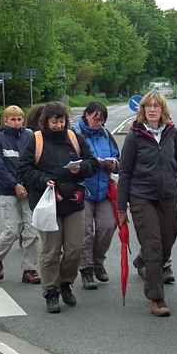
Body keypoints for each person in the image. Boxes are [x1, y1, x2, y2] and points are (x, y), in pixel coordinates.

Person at [19, 102, 98, 313]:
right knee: (51, 251)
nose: (58, 125)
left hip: (73, 201)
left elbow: (92, 162)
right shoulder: (35, 140)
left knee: (75, 248)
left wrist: (81, 168)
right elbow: (24, 169)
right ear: (45, 121)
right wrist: (44, 180)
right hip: (47, 203)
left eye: (61, 120)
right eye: (54, 121)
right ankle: (51, 291)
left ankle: (66, 282)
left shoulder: (74, 138)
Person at [117, 90, 177, 317]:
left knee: (169, 238)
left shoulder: (171, 132)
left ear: (163, 109)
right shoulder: (134, 136)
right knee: (154, 245)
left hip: (167, 195)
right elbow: (125, 172)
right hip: (141, 197)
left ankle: (143, 260)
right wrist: (121, 207)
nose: (153, 109)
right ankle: (156, 298)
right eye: (149, 106)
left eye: (157, 106)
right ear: (143, 111)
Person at [0, 105, 40, 284]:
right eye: (13, 119)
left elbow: (34, 162)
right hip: (7, 190)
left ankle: (29, 269)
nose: (17, 123)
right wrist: (15, 184)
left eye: (19, 119)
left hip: (28, 189)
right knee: (13, 228)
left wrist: (28, 183)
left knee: (32, 231)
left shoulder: (30, 136)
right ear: (5, 121)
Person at [73, 101, 120, 289]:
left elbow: (119, 158)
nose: (98, 121)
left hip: (103, 189)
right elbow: (70, 161)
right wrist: (92, 163)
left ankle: (98, 261)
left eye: (102, 119)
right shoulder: (75, 135)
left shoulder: (106, 135)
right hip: (82, 189)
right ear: (86, 115)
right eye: (95, 117)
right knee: (85, 231)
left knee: (108, 226)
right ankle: (86, 269)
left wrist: (113, 164)